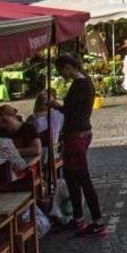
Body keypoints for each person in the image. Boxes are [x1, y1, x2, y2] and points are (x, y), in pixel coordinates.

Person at [49, 53, 106, 237]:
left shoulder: (79, 85)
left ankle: (97, 222)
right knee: (71, 177)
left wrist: (56, 106)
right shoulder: (86, 81)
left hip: (77, 135)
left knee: (83, 178)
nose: (61, 75)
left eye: (61, 71)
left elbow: (72, 111)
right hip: (79, 133)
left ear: (67, 67)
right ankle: (78, 218)